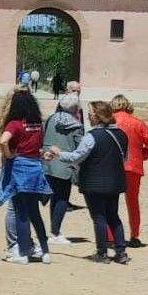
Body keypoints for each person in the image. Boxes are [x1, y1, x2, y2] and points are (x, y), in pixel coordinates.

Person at [46, 101, 130, 264]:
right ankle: (120, 252)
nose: (89, 116)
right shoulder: (122, 134)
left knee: (99, 217)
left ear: (97, 117)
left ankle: (102, 253)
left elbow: (76, 157)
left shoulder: (92, 137)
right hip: (115, 182)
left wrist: (58, 153)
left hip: (94, 183)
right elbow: (124, 158)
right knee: (113, 216)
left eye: (91, 113)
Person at [0, 89, 53, 263]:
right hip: (35, 168)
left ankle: (22, 252)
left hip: (19, 168)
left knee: (20, 212)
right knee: (34, 213)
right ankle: (45, 251)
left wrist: (8, 155)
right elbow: (39, 147)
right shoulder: (37, 124)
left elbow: (3, 141)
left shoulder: (14, 123)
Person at [109, 95, 148, 248]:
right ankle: (134, 235)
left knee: (110, 201)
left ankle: (110, 236)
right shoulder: (138, 123)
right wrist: (140, 156)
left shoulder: (110, 122)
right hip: (133, 167)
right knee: (132, 202)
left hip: (112, 166)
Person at [41, 92, 85, 243]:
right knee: (61, 199)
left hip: (47, 162)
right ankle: (55, 232)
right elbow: (80, 147)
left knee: (53, 196)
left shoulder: (50, 119)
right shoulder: (77, 125)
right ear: (75, 109)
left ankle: (52, 231)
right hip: (65, 164)